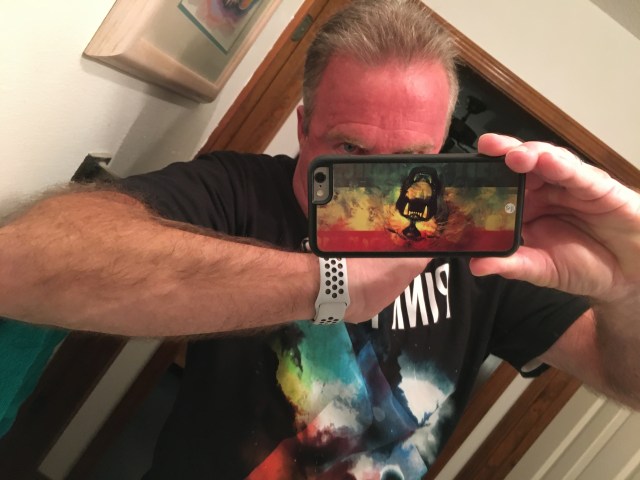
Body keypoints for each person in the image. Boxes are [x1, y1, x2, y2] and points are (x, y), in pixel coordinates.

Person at [1, 0, 639, 477]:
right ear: (304, 127)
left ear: (442, 150)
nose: (376, 190)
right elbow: (19, 264)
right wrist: (328, 284)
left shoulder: (474, 242)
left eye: (408, 159)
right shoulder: (240, 191)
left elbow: (626, 378)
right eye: (351, 151)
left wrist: (628, 293)